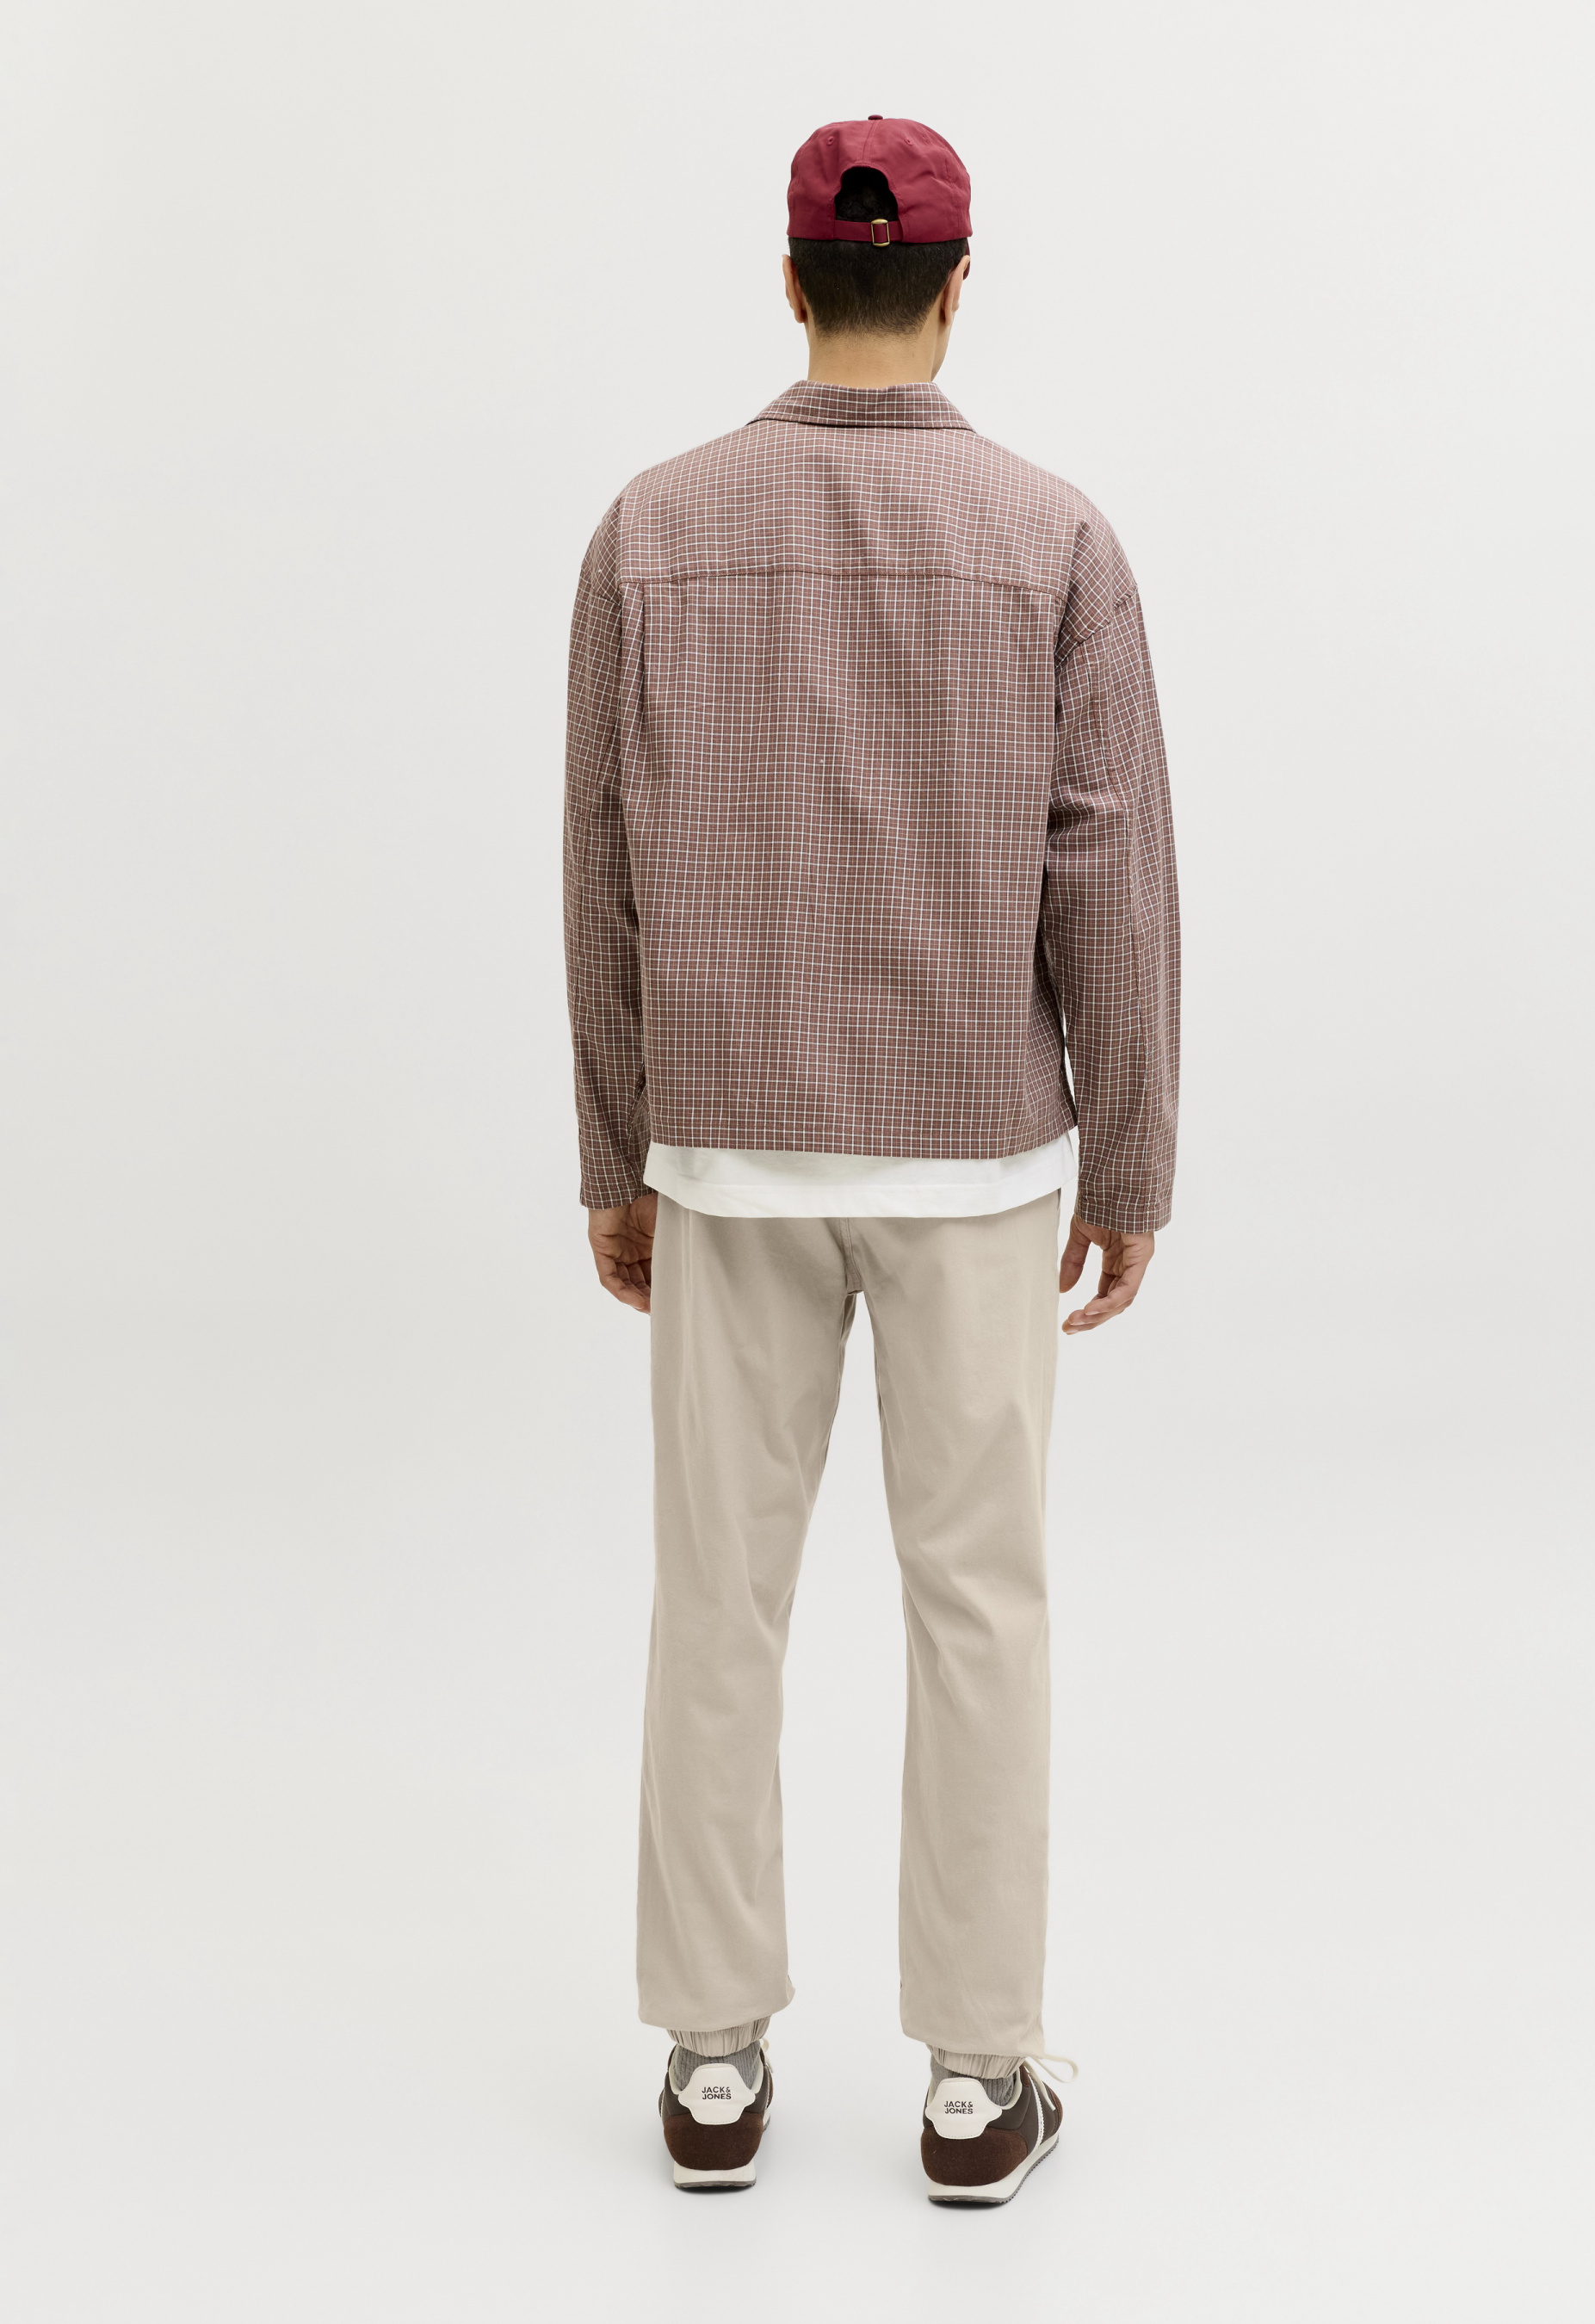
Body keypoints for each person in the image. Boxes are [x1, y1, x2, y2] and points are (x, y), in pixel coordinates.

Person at [564, 114, 1178, 2204]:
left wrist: (614, 1145)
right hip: (973, 1161)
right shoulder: (1051, 537)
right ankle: (976, 2081)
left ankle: (710, 2059)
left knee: (714, 1602)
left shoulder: (651, 530)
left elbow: (599, 867)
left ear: (789, 280)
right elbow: (1107, 870)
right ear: (957, 282)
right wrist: (1131, 1158)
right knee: (977, 1605)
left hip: (727, 1152)